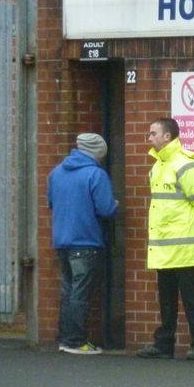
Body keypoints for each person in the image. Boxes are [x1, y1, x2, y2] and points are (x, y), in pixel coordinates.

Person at [137, 118, 194, 361]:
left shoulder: (185, 165)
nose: (149, 138)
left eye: (153, 133)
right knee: (166, 299)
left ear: (167, 136)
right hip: (165, 247)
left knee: (192, 299)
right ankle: (164, 344)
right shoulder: (158, 166)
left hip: (186, 246)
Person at [48, 132, 118, 355]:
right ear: (97, 153)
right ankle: (75, 341)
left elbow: (51, 203)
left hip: (62, 241)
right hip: (86, 241)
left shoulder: (56, 173)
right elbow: (106, 209)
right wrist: (116, 204)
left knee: (68, 291)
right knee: (80, 293)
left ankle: (64, 337)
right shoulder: (95, 174)